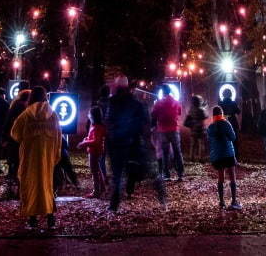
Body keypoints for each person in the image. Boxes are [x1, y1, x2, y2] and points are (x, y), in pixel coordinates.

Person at [104, 77, 166, 212]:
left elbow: (108, 122)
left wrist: (112, 139)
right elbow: (145, 122)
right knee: (147, 170)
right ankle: (160, 192)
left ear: (116, 86)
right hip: (134, 142)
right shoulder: (136, 103)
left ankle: (113, 206)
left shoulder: (112, 102)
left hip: (119, 144)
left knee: (118, 175)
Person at [10, 84, 63, 230]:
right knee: (47, 186)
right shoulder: (52, 115)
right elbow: (59, 136)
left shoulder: (26, 115)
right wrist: (55, 155)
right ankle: (50, 218)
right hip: (46, 158)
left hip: (30, 158)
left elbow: (15, 133)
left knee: (30, 185)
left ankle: (32, 219)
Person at [206, 105, 242, 210]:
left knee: (220, 177)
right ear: (221, 114)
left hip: (217, 155)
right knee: (232, 176)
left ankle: (221, 202)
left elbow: (209, 141)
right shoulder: (226, 124)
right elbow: (233, 137)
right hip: (228, 153)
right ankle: (234, 200)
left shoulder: (211, 127)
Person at [151, 86, 185, 182]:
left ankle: (167, 175)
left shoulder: (158, 103)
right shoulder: (176, 102)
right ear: (170, 92)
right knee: (177, 152)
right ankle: (180, 174)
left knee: (165, 153)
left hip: (162, 130)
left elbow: (153, 115)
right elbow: (179, 113)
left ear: (162, 92)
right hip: (174, 129)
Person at [2, 89, 31, 198]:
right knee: (20, 165)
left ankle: (13, 189)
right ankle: (19, 190)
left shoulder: (14, 106)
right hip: (18, 141)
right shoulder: (23, 109)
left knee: (14, 165)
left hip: (12, 141)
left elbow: (6, 124)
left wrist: (5, 138)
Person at [77, 106, 109, 198]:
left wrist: (83, 143)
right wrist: (87, 139)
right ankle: (102, 188)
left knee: (94, 171)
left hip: (94, 151)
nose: (88, 115)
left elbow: (96, 141)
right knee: (98, 170)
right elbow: (94, 138)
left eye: (89, 114)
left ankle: (96, 191)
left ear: (93, 116)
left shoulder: (97, 127)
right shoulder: (96, 126)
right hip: (96, 150)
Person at [184, 94, 208, 162]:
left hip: (193, 129)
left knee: (193, 145)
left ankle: (191, 158)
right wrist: (204, 107)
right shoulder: (201, 110)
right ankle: (201, 158)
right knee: (201, 144)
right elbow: (206, 116)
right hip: (201, 130)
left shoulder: (191, 109)